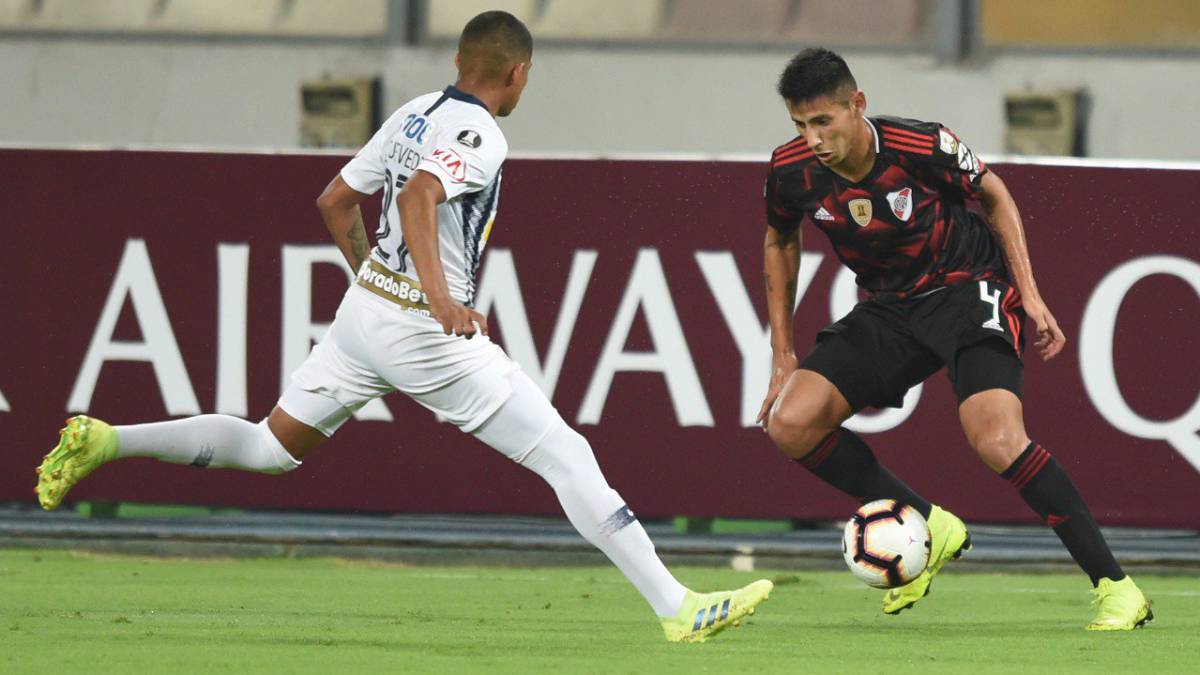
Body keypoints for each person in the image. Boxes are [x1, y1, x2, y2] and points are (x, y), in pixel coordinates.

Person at [35, 11, 770, 643]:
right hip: (423, 330)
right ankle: (677, 608)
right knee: (567, 454)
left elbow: (333, 200)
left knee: (269, 445)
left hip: (365, 316)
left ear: (458, 62)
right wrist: (441, 298)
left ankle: (108, 439)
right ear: (519, 74)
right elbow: (420, 196)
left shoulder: (414, 111)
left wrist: (373, 281)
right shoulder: (480, 134)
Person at [757, 48, 1150, 631]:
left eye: (823, 122)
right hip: (888, 307)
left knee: (995, 438)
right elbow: (779, 241)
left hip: (967, 288)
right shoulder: (792, 171)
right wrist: (782, 354)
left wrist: (1030, 292)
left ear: (856, 105)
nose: (812, 138)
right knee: (790, 422)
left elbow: (994, 194)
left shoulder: (921, 146)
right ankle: (931, 524)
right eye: (800, 125)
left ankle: (1117, 589)